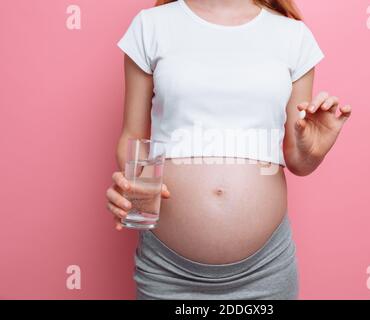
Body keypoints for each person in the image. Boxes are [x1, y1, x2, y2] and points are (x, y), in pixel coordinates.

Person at [106, 0, 351, 300]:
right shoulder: (151, 26)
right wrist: (136, 200)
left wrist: (314, 150)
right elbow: (133, 135)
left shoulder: (293, 36)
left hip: (266, 271)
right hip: (167, 270)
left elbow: (298, 161)